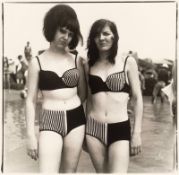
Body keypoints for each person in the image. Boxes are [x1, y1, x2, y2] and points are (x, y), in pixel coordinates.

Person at [25, 4, 87, 173]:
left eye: (70, 33)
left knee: (69, 171)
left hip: (76, 119)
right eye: (62, 31)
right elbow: (30, 101)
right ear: (52, 28)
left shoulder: (77, 60)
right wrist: (30, 135)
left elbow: (83, 93)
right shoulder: (36, 62)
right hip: (50, 119)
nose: (66, 37)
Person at [85, 19, 143, 173]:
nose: (102, 38)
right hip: (93, 129)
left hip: (120, 127)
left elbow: (137, 99)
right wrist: (84, 131)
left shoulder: (127, 62)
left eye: (106, 33)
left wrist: (136, 133)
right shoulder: (89, 65)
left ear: (114, 36)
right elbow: (89, 101)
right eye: (97, 35)